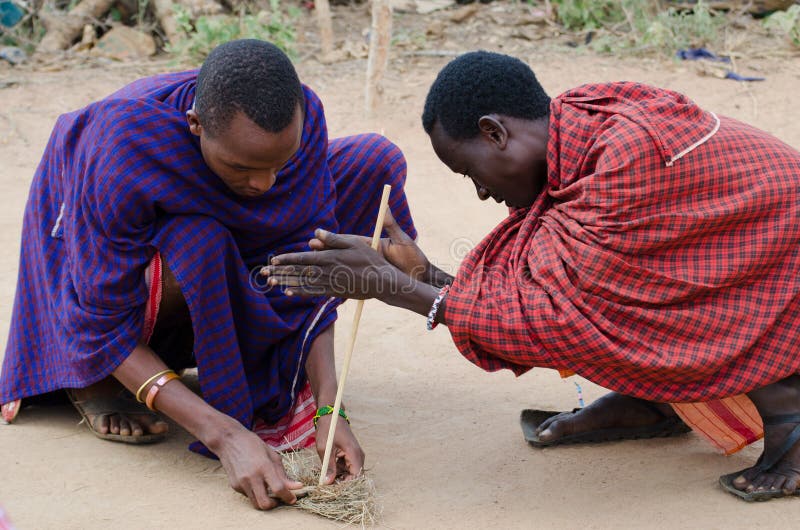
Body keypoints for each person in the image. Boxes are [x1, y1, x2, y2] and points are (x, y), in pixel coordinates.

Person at [263, 50, 800, 501]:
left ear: (494, 132)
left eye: (469, 171)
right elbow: (533, 294)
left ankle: (791, 411)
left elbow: (554, 316)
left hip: (784, 254)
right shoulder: (575, 131)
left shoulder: (621, 159)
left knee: (607, 306)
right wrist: (421, 271)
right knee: (607, 294)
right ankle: (655, 395)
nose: (478, 191)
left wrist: (391, 286)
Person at [0, 39, 417, 510]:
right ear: (195, 125)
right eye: (241, 166)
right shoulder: (124, 144)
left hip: (227, 266)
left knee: (369, 163)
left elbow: (310, 267)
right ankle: (95, 378)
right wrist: (223, 434)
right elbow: (97, 316)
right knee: (199, 242)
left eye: (280, 164)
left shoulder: (306, 117)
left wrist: (327, 404)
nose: (264, 185)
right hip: (105, 282)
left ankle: (270, 366)